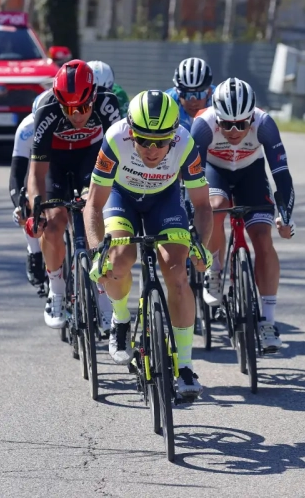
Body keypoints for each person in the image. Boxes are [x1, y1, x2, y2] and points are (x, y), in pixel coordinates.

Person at [84, 90, 213, 398]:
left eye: (161, 141)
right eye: (143, 140)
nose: (153, 150)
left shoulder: (185, 143)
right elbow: (92, 203)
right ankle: (121, 318)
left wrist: (201, 245)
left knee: (178, 275)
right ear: (131, 131)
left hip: (164, 202)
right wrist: (96, 250)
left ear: (174, 134)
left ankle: (184, 365)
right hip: (121, 199)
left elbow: (203, 206)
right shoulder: (115, 139)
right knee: (117, 261)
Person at [190, 78, 295, 353]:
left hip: (251, 171)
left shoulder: (265, 124)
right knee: (214, 206)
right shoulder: (203, 125)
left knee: (262, 237)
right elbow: (190, 176)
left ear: (252, 116)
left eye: (241, 124)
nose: (234, 131)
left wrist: (286, 215)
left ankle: (268, 321)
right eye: (226, 124)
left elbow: (280, 174)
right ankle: (215, 268)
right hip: (216, 171)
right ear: (217, 117)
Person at [28, 60, 121, 331]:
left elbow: (121, 156)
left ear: (93, 95)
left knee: (97, 219)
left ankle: (104, 300)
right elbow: (36, 174)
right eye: (68, 108)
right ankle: (56, 290)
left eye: (82, 107)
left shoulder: (107, 104)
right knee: (54, 225)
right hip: (55, 161)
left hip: (90, 157)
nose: (77, 114)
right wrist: (37, 209)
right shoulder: (46, 109)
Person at [10, 89, 53, 288]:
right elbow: (17, 173)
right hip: (37, 170)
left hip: (58, 167)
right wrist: (19, 204)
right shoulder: (26, 129)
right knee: (27, 201)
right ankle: (35, 252)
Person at [164, 57, 216, 131]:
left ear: (209, 92)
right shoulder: (167, 103)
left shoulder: (220, 100)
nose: (193, 103)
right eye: (186, 95)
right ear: (177, 93)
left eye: (199, 95)